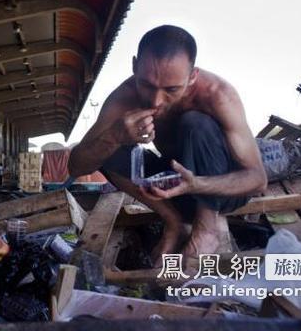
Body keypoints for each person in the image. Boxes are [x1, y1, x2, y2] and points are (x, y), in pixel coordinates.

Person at [68, 25, 267, 266]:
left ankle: (206, 229)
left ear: (192, 76)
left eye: (171, 89)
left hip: (222, 191)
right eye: (147, 85)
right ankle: (173, 221)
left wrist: (197, 183)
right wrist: (114, 136)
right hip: (175, 191)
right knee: (108, 148)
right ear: (134, 66)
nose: (156, 100)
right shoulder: (124, 97)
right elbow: (76, 166)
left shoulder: (217, 95)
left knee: (195, 123)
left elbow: (257, 179)